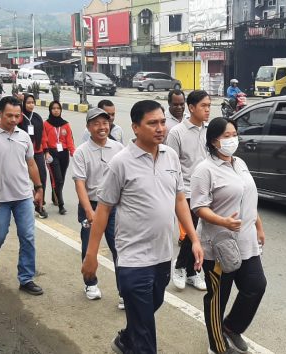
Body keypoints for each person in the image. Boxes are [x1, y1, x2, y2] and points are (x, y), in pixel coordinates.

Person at [81, 100, 204, 354]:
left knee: (149, 308)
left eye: (162, 121)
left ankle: (126, 340)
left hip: (162, 256)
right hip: (133, 258)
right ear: (136, 128)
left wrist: (194, 238)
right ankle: (135, 343)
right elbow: (103, 209)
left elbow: (180, 199)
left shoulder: (170, 156)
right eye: (152, 123)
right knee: (146, 330)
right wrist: (91, 256)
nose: (160, 128)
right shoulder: (121, 162)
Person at [191, 117, 269, 354]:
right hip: (218, 245)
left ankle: (231, 327)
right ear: (215, 141)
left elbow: (248, 198)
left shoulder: (240, 163)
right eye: (227, 135)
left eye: (234, 134)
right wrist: (223, 221)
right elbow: (198, 207)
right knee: (218, 298)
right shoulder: (204, 170)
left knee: (256, 285)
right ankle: (216, 345)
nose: (233, 139)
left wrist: (258, 226)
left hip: (246, 242)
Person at [0, 96, 45, 296]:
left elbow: (31, 164)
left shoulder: (23, 136)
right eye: (9, 116)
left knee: (28, 237)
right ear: (0, 114)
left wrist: (38, 187)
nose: (13, 120)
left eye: (17, 116)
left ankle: (26, 278)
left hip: (23, 196)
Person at [72, 108, 125, 305]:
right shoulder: (81, 152)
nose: (102, 127)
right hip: (92, 205)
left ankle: (124, 292)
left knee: (119, 248)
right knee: (89, 247)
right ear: (88, 127)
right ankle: (90, 282)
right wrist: (89, 211)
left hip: (114, 207)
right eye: (96, 124)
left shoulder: (119, 148)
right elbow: (79, 184)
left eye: (105, 123)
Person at [167, 90, 211, 291]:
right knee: (192, 230)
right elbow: (171, 164)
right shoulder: (177, 132)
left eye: (209, 105)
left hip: (206, 190)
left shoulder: (209, 130)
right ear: (191, 108)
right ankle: (179, 267)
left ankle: (192, 271)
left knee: (200, 232)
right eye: (204, 106)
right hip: (185, 190)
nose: (208, 109)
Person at [18, 93, 49, 219]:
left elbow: (43, 135)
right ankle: (24, 203)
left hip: (38, 152)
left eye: (32, 102)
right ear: (23, 104)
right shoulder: (19, 117)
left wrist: (45, 150)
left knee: (42, 177)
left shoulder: (37, 117)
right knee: (23, 179)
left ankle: (39, 205)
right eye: (28, 102)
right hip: (22, 153)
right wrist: (18, 102)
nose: (31, 105)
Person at [42, 101, 76, 215]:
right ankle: (61, 205)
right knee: (58, 179)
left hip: (64, 153)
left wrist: (73, 153)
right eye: (53, 108)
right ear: (50, 110)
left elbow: (70, 141)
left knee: (60, 177)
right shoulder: (46, 124)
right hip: (52, 153)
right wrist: (46, 152)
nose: (56, 110)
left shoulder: (66, 124)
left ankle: (55, 195)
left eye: (58, 108)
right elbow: (44, 139)